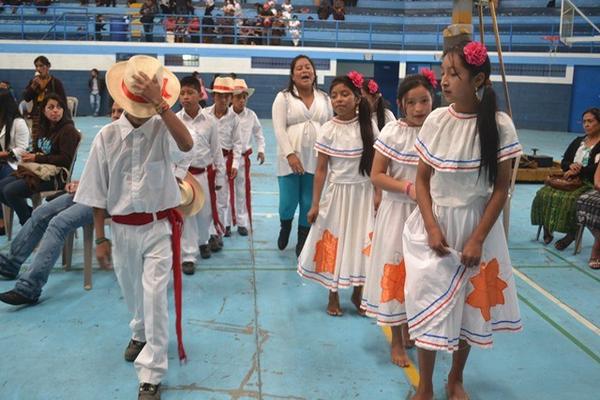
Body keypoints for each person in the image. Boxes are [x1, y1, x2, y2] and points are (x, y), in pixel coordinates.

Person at [402, 41, 523, 400]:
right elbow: (422, 181)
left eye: (454, 73)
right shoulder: (437, 119)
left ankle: (455, 377)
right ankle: (425, 384)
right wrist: (432, 225)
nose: (444, 81)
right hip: (435, 224)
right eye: (443, 73)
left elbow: (500, 189)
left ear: (478, 79)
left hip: (477, 228)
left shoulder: (499, 125)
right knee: (427, 303)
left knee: (468, 310)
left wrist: (478, 238)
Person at [74, 55, 193, 400]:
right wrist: (100, 238)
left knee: (155, 296)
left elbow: (187, 144)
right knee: (133, 295)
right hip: (121, 231)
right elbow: (97, 194)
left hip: (158, 228)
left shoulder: (164, 127)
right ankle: (139, 331)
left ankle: (151, 373)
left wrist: (160, 104)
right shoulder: (107, 138)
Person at [0, 103, 124, 305]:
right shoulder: (107, 136)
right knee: (41, 212)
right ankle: (11, 263)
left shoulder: (135, 141)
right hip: (89, 191)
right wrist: (80, 183)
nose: (116, 116)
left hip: (111, 199)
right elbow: (97, 170)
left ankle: (29, 288)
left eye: (121, 112)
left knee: (59, 222)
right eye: (113, 112)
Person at [361, 70, 436, 367]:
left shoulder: (438, 129)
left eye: (425, 100)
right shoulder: (392, 132)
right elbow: (377, 176)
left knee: (420, 275)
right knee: (396, 273)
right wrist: (407, 188)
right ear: (401, 104)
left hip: (427, 214)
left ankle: (410, 328)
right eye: (412, 102)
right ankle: (396, 341)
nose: (419, 108)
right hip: (397, 212)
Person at [297, 71, 375, 316]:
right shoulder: (328, 129)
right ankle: (333, 294)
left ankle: (358, 291)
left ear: (357, 98)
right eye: (334, 96)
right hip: (337, 197)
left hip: (363, 195)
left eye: (344, 94)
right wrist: (315, 203)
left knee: (362, 243)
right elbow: (320, 170)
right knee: (336, 244)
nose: (339, 99)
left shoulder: (368, 126)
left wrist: (378, 195)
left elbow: (376, 165)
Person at [271, 55, 333, 256]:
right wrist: (290, 154)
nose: (304, 71)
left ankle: (303, 239)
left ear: (314, 73)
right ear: (293, 75)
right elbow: (279, 129)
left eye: (308, 67)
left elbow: (331, 126)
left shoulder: (325, 98)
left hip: (316, 159)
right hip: (290, 159)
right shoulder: (284, 97)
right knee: (287, 202)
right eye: (299, 68)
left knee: (309, 201)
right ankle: (285, 226)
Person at [0, 93, 79, 226]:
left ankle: (29, 223)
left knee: (10, 191)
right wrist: (29, 155)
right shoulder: (44, 128)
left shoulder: (68, 131)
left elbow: (65, 160)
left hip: (55, 176)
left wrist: (37, 157)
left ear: (64, 110)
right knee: (1, 187)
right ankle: (34, 217)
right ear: (44, 110)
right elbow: (39, 150)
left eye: (59, 107)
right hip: (37, 171)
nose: (55, 110)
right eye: (51, 107)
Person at [531, 107, 600, 251]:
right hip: (570, 179)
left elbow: (597, 168)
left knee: (572, 200)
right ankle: (547, 228)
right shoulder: (578, 141)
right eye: (584, 121)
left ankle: (571, 234)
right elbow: (564, 161)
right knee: (544, 193)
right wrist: (571, 166)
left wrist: (579, 170)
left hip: (587, 181)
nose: (586, 125)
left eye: (590, 121)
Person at [177, 76, 225, 274]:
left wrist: (220, 177)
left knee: (205, 213)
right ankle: (188, 255)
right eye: (183, 93)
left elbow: (216, 151)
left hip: (204, 174)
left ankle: (204, 240)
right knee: (187, 214)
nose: (186, 97)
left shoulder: (210, 122)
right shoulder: (175, 120)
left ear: (200, 94)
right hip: (183, 175)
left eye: (190, 93)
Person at [205, 76, 242, 246]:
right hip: (205, 162)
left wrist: (235, 164)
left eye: (227, 96)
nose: (224, 99)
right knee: (205, 198)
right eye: (220, 95)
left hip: (225, 161)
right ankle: (206, 233)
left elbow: (237, 143)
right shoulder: (204, 115)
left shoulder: (234, 118)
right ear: (214, 96)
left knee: (221, 198)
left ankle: (218, 231)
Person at [231, 78, 265, 236]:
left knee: (241, 191)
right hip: (226, 159)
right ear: (231, 98)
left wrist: (261, 149)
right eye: (238, 96)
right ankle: (224, 224)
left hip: (243, 159)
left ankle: (242, 222)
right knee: (222, 193)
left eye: (244, 97)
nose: (242, 100)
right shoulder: (226, 115)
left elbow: (258, 133)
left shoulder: (251, 115)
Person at [0, 91, 30, 235]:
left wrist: (4, 154)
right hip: (2, 162)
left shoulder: (19, 123)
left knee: (5, 186)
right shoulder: (1, 121)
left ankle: (24, 212)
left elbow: (23, 149)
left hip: (14, 163)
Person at [22, 55, 66, 142]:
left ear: (48, 66)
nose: (38, 68)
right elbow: (26, 98)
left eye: (41, 66)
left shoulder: (55, 83)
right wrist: (33, 87)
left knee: (50, 140)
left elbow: (63, 102)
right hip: (37, 116)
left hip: (52, 116)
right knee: (36, 140)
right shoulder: (33, 82)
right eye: (36, 66)